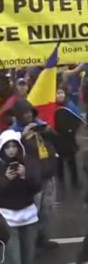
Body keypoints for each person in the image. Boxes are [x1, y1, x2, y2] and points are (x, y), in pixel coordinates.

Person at [10, 99, 59, 250]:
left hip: (47, 172)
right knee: (34, 210)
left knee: (47, 208)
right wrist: (23, 138)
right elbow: (11, 153)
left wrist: (47, 131)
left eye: (29, 112)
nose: (28, 116)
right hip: (32, 177)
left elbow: (57, 140)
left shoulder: (40, 124)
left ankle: (41, 237)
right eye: (24, 113)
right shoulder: (14, 132)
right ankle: (30, 242)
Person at [0, 130, 41, 264]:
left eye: (14, 146)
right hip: (7, 217)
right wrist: (6, 179)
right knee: (14, 258)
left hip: (29, 215)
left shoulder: (27, 163)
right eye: (7, 147)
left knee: (29, 256)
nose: (11, 150)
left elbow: (37, 187)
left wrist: (24, 177)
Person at [54, 88, 83, 188]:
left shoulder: (70, 106)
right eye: (57, 93)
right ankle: (60, 181)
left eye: (61, 93)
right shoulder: (52, 107)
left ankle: (75, 181)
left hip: (69, 138)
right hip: (57, 138)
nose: (60, 95)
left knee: (72, 160)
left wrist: (73, 129)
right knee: (59, 161)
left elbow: (78, 118)